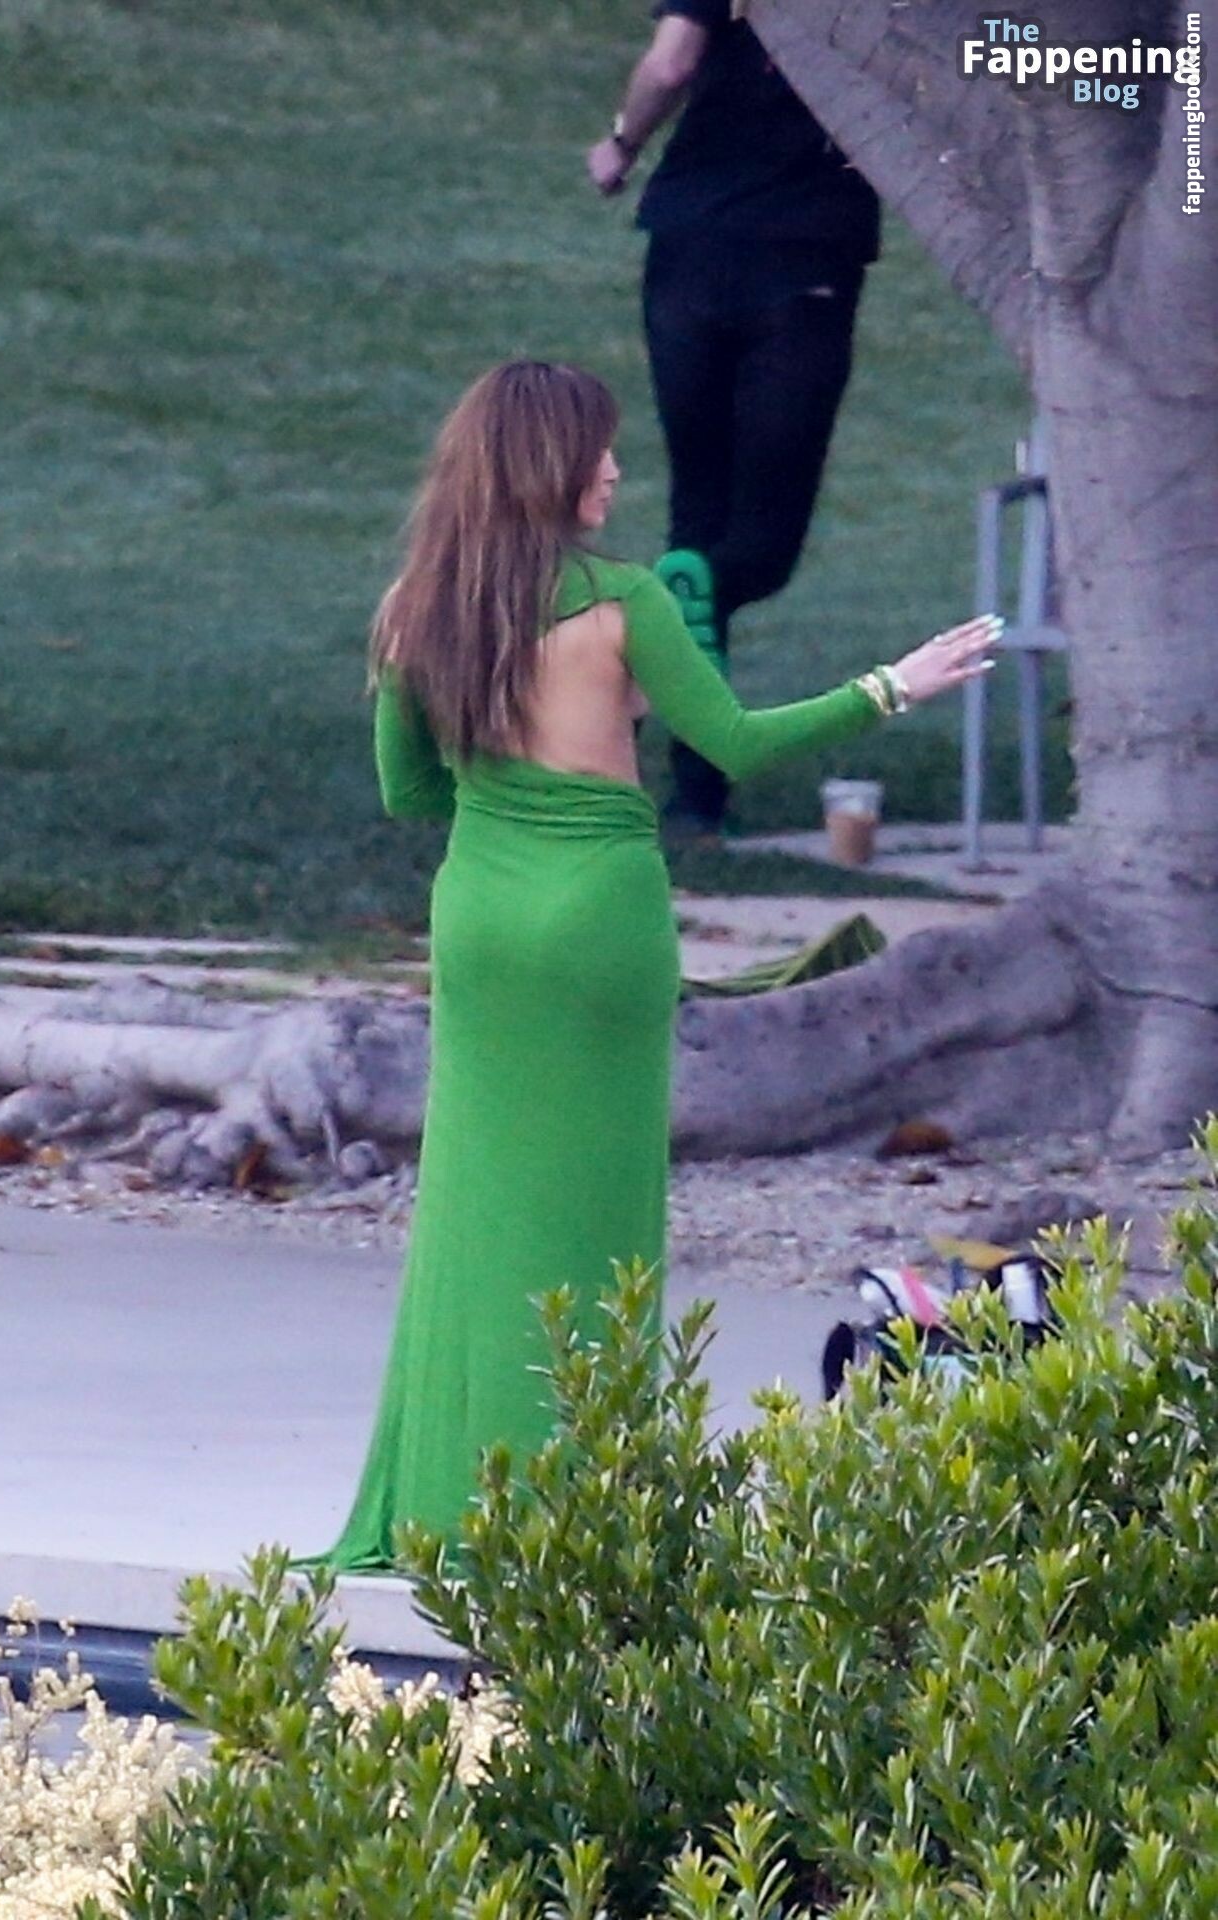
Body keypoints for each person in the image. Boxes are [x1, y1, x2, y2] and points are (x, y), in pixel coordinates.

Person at [313, 360, 997, 1571]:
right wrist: (890, 686)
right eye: (600, 451)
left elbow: (407, 792)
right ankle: (575, 1513)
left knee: (475, 1206)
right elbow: (731, 741)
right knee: (595, 1219)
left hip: (482, 922)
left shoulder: (417, 607)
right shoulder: (627, 601)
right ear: (549, 466)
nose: (617, 471)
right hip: (600, 921)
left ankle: (450, 1501)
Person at [588, 1, 881, 830]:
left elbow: (670, 60)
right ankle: (647, 665)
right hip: (805, 253)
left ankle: (691, 791)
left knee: (698, 518)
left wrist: (621, 144)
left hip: (689, 243)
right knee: (759, 545)